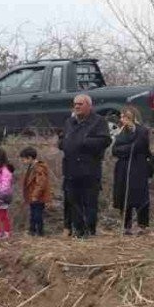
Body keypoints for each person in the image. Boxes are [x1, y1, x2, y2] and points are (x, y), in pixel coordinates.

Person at [58, 95, 110, 238]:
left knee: (89, 203)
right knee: (74, 202)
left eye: (80, 104)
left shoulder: (99, 121)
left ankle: (90, 231)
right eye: (75, 104)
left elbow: (105, 140)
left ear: (89, 105)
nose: (77, 106)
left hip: (89, 170)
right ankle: (78, 231)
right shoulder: (69, 122)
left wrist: (83, 142)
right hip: (70, 169)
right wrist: (64, 144)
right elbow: (62, 139)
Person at [110, 107, 154, 236]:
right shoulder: (121, 132)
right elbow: (114, 150)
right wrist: (127, 149)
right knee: (124, 195)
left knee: (140, 195)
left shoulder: (142, 131)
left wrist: (125, 149)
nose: (122, 120)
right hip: (123, 168)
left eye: (126, 117)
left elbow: (139, 146)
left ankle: (142, 225)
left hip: (138, 167)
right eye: (122, 117)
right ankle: (126, 225)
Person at [19, 147, 51, 238]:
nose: (23, 161)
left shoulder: (39, 168)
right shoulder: (31, 167)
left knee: (37, 215)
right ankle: (32, 231)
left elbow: (41, 183)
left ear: (30, 158)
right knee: (33, 214)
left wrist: (35, 195)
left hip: (38, 197)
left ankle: (39, 232)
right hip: (32, 196)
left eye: (24, 159)